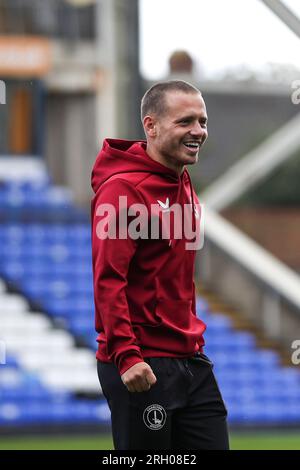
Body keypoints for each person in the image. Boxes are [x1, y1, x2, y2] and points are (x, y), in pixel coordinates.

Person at [91, 80, 229, 450]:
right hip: (143, 363)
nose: (198, 131)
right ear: (151, 126)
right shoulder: (121, 190)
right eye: (185, 122)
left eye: (202, 121)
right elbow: (109, 280)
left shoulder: (182, 182)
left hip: (190, 360)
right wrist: (127, 356)